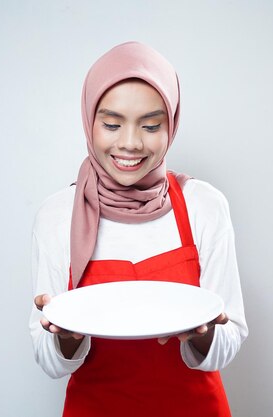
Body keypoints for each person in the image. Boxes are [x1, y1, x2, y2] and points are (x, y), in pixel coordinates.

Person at [29, 41, 248, 417]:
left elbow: (231, 338)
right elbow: (48, 361)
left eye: (150, 125)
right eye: (112, 124)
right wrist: (65, 337)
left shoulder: (204, 205)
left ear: (172, 124)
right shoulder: (57, 215)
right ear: (88, 120)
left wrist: (206, 332)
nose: (129, 143)